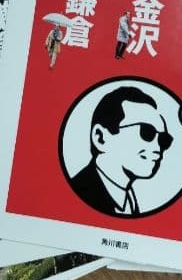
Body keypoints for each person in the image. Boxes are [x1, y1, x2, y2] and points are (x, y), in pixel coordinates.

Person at [69, 86, 173, 216]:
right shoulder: (78, 193)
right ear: (101, 138)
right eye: (147, 132)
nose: (158, 148)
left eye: (164, 140)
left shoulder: (129, 200)